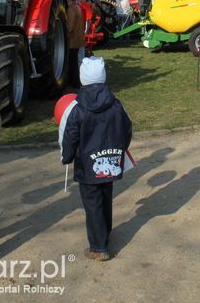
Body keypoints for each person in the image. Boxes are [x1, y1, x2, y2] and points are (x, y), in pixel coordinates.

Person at [62, 56, 132, 261]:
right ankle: (105, 234)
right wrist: (120, 150)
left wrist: (67, 156)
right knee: (105, 197)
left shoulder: (77, 108)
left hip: (87, 164)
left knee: (92, 202)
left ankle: (98, 246)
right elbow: (127, 129)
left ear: (83, 79)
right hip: (109, 162)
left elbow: (70, 135)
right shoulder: (116, 105)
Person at [66, 0, 86, 89]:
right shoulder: (77, 7)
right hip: (78, 38)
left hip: (72, 40)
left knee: (72, 62)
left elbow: (70, 26)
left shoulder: (71, 9)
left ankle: (74, 82)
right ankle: (75, 81)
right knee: (74, 61)